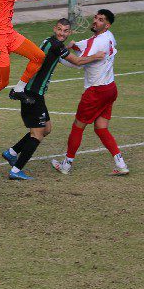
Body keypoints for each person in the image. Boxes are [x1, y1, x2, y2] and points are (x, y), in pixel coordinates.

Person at [2, 18, 105, 180]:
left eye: (65, 31)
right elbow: (77, 62)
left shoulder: (50, 42)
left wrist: (68, 46)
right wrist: (96, 56)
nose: (61, 33)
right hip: (32, 94)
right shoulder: (56, 46)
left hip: (36, 93)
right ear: (54, 28)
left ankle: (12, 152)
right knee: (37, 134)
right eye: (59, 29)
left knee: (47, 129)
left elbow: (58, 55)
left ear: (69, 32)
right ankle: (16, 170)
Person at [51, 9, 129, 177]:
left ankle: (66, 165)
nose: (95, 21)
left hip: (96, 91)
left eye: (100, 20)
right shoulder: (108, 36)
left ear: (106, 25)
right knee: (101, 128)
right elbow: (86, 45)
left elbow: (78, 63)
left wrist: (58, 56)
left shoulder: (98, 42)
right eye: (95, 17)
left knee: (77, 127)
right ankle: (121, 164)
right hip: (110, 89)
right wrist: (73, 45)